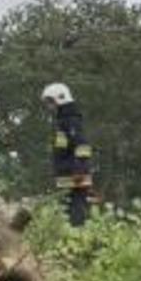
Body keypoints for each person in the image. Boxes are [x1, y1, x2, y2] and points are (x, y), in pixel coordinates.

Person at [42, 82, 94, 226]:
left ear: (60, 99)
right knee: (65, 212)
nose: (49, 107)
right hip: (67, 175)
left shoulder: (71, 121)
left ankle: (78, 240)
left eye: (50, 102)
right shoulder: (62, 121)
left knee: (76, 214)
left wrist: (79, 170)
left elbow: (82, 145)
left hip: (76, 176)